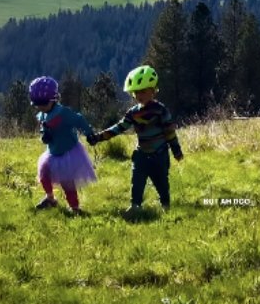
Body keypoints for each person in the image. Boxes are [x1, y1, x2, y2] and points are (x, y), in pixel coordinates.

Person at [87, 65, 183, 212]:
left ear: (153, 90)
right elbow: (118, 128)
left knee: (161, 182)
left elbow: (169, 132)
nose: (139, 95)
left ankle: (165, 205)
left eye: (143, 91)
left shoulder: (160, 110)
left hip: (160, 155)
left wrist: (176, 150)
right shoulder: (133, 113)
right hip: (142, 155)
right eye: (136, 92)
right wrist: (99, 137)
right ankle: (135, 206)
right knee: (137, 180)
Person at [30, 76, 97, 213]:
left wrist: (89, 133)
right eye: (37, 104)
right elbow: (45, 130)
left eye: (43, 103)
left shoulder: (63, 113)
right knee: (43, 174)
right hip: (52, 152)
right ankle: (50, 199)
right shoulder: (43, 114)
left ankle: (75, 207)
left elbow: (79, 120)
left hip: (68, 153)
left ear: (54, 100)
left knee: (67, 183)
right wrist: (45, 136)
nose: (40, 107)